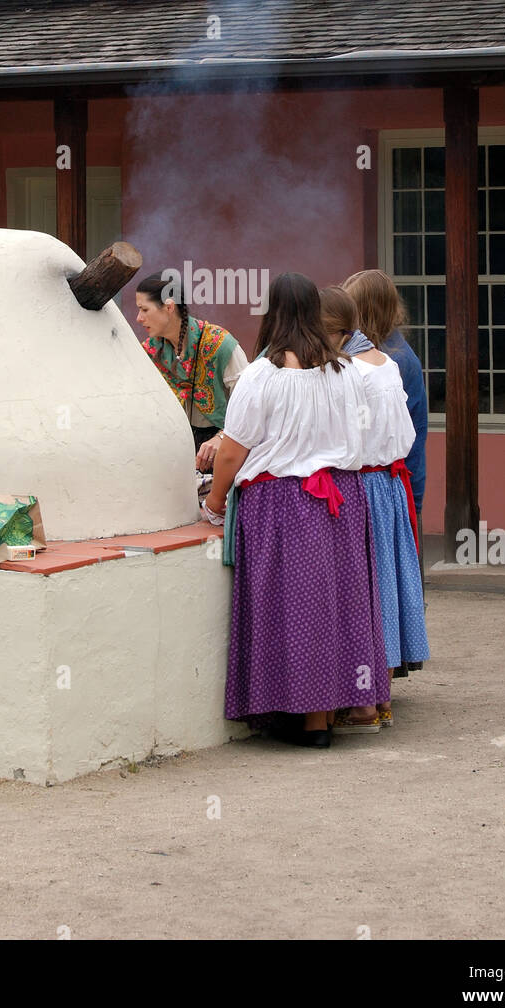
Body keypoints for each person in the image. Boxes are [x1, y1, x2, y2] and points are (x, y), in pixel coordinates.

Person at [203, 273, 389, 749]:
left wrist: (215, 500)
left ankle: (294, 714)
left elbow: (231, 452)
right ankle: (323, 717)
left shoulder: (262, 376)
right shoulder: (346, 373)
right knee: (335, 608)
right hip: (342, 502)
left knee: (290, 611)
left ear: (274, 313)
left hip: (282, 505)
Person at [342, 269, 429, 678]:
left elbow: (410, 439)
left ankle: (375, 676)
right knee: (387, 583)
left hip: (385, 483)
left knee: (377, 584)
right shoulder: (388, 354)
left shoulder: (389, 361)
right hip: (394, 485)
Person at [135, 273, 248, 469]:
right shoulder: (150, 353)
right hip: (175, 453)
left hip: (226, 448)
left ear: (169, 307)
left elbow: (250, 404)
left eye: (144, 309)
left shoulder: (219, 344)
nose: (139, 318)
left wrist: (222, 437)